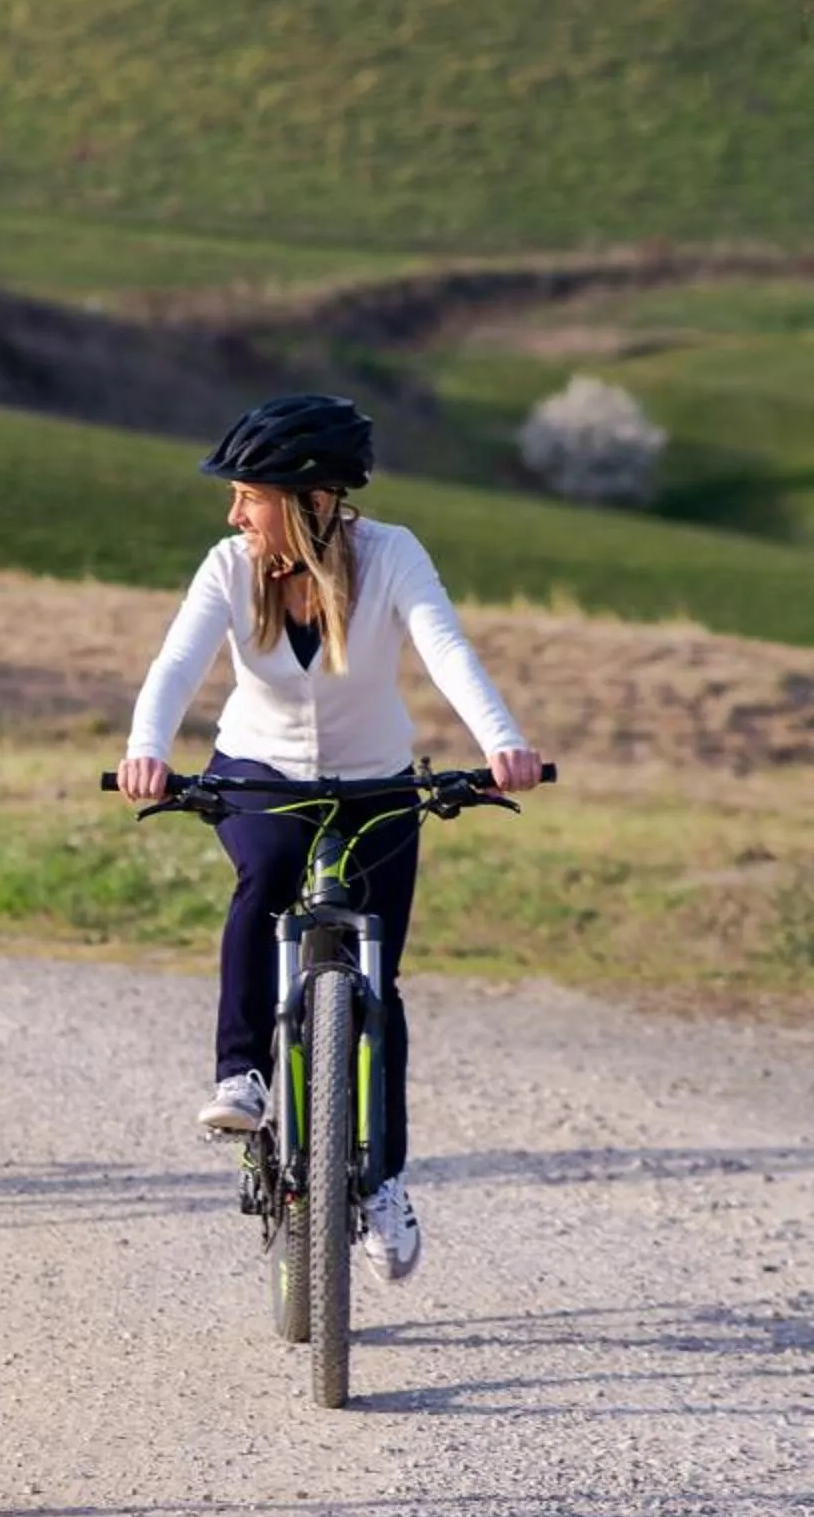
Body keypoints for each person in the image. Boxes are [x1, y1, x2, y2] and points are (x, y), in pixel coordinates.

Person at [115, 394, 543, 1283]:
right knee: (264, 874)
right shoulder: (230, 567)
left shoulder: (392, 555)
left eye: (251, 496)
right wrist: (145, 751)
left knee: (376, 976)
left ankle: (381, 1180)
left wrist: (502, 741)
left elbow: (446, 648)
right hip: (262, 772)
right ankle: (243, 1076)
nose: (235, 513)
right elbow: (175, 666)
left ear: (312, 501)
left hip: (377, 778)